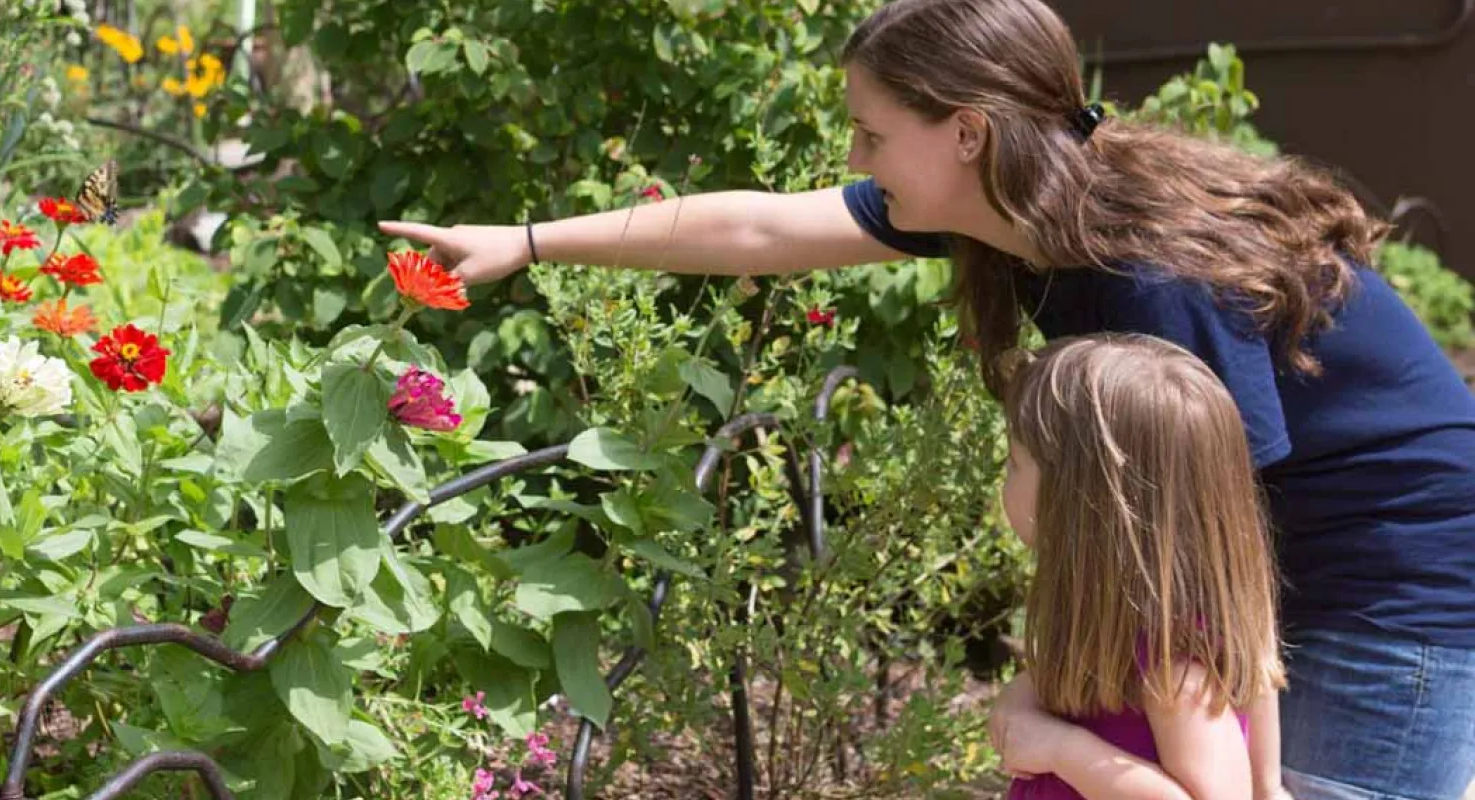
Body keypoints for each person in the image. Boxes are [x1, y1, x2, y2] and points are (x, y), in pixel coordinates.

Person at [377, 0, 1475, 797]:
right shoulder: (1022, 202)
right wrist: (523, 244)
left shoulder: (1148, 278)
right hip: (1283, 572)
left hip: (1389, 578)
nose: (855, 157)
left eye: (870, 132)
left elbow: (1232, 541)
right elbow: (763, 230)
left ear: (968, 131)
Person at [986, 334, 1286, 799]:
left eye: (1013, 464)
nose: (1003, 480)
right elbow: (1056, 689)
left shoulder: (1173, 669)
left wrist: (1063, 750)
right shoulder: (1110, 620)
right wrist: (1021, 705)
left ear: (1080, 501)